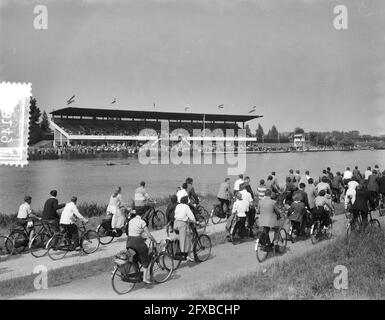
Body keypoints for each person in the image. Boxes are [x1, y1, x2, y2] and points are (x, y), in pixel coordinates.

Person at [126, 207, 157, 284]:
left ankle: (137, 275)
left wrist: (142, 236)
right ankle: (145, 279)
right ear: (143, 214)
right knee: (145, 260)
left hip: (129, 243)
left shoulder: (131, 221)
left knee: (134, 259)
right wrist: (155, 241)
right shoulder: (142, 222)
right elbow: (149, 235)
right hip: (138, 244)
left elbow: (134, 232)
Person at [173, 195, 196, 261]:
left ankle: (178, 251)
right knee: (186, 239)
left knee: (179, 238)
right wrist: (194, 221)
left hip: (176, 223)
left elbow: (177, 214)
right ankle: (184, 255)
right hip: (182, 224)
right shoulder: (186, 207)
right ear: (186, 202)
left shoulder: (178, 206)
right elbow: (191, 216)